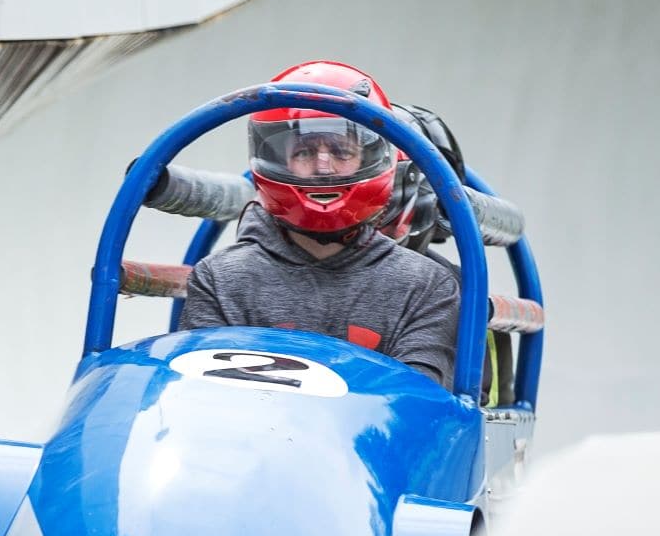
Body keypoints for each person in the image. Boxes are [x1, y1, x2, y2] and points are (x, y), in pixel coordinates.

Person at [166, 61, 462, 389]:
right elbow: (204, 397)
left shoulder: (426, 286)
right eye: (305, 152)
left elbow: (417, 404)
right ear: (276, 159)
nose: (323, 167)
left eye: (340, 150)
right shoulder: (222, 279)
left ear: (372, 157)